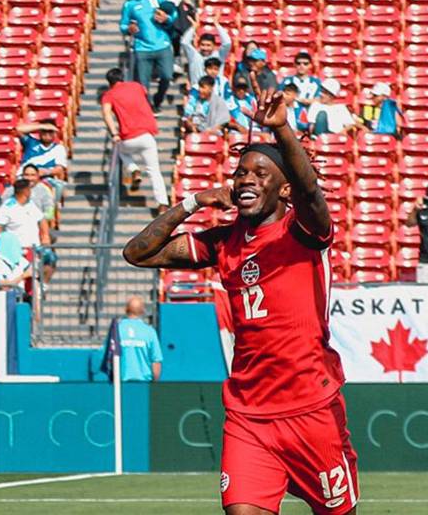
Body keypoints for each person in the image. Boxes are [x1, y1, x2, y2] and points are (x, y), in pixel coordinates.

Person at [124, 74, 359, 515]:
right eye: (241, 172)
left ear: (282, 189)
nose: (246, 179)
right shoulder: (223, 241)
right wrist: (193, 201)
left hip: (312, 407)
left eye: (261, 173)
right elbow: (138, 253)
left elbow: (310, 190)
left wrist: (281, 130)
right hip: (249, 414)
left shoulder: (304, 231)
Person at [101, 67, 169, 212]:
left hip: (128, 137)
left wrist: (114, 133)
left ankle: (133, 169)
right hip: (147, 134)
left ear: (109, 82)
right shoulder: (136, 86)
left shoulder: (109, 95)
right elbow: (144, 92)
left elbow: (106, 114)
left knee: (119, 150)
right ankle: (162, 204)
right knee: (154, 171)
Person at [120, 0, 174, 112]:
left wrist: (167, 19)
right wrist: (129, 29)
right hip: (142, 47)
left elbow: (173, 12)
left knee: (167, 75)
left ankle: (159, 98)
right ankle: (148, 107)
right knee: (143, 84)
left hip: (162, 44)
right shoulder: (129, 4)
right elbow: (123, 25)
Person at [0, 179, 56, 282]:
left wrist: (45, 236)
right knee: (24, 278)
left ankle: (43, 289)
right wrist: (7, 245)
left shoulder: (30, 204)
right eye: (30, 189)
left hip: (34, 248)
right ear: (26, 191)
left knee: (50, 261)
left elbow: (42, 220)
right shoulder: (7, 208)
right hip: (19, 250)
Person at [16, 120, 68, 201]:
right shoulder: (31, 142)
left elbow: (59, 169)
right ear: (40, 132)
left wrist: (45, 172)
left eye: (50, 131)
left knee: (59, 186)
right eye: (44, 131)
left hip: (45, 178)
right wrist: (41, 126)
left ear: (54, 133)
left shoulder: (59, 148)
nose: (47, 134)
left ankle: (51, 209)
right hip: (25, 176)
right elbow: (19, 129)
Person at [114, 296, 163, 382]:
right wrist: (154, 383)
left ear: (126, 309)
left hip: (120, 384)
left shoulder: (117, 329)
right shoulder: (149, 332)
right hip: (144, 384)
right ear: (142, 310)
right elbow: (156, 361)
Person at [181, 11, 232, 87]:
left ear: (214, 46)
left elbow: (227, 43)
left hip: (215, 93)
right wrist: (194, 27)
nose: (205, 48)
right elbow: (184, 42)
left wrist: (217, 25)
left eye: (208, 45)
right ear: (199, 45)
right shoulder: (194, 55)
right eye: (203, 45)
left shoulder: (219, 56)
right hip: (197, 92)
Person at [404, 184, 428, 284]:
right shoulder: (422, 210)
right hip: (426, 260)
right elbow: (409, 223)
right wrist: (415, 209)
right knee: (425, 292)